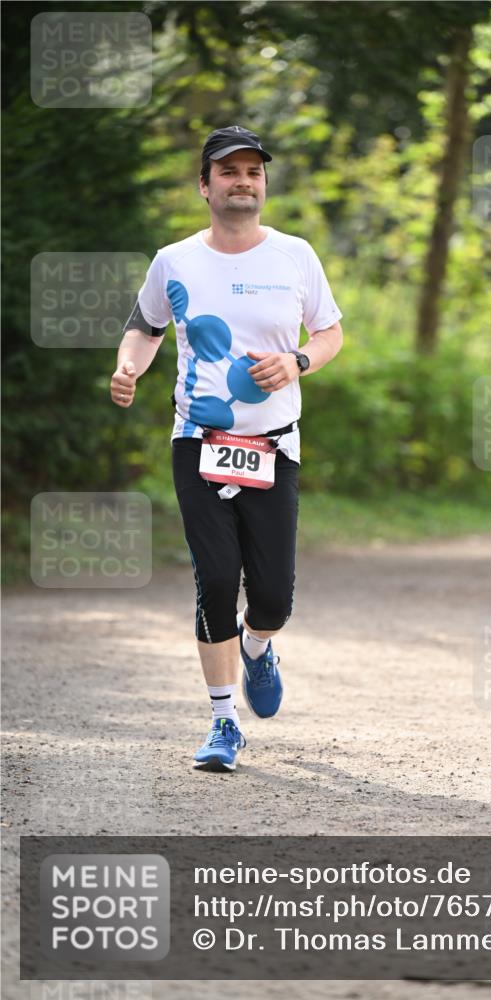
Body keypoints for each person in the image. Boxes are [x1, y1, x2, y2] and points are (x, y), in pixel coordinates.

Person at [110, 125, 343, 772]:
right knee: (215, 579)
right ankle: (222, 721)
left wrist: (297, 361)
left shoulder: (294, 256)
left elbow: (328, 332)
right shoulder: (174, 260)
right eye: (229, 171)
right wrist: (129, 367)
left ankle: (258, 648)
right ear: (205, 185)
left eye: (253, 172)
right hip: (199, 442)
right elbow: (145, 326)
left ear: (263, 185)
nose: (243, 181)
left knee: (272, 598)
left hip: (274, 445)